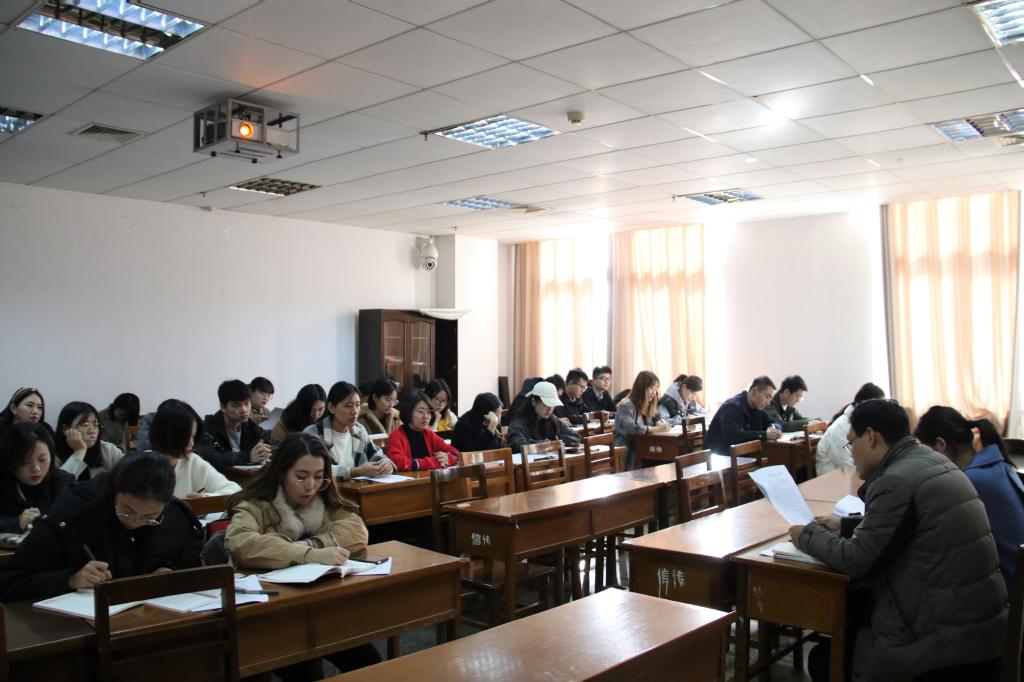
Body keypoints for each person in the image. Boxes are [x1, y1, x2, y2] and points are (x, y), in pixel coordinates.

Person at [790, 400, 1007, 682]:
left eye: (851, 443)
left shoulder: (895, 480)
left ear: (871, 437)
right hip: (978, 628)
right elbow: (907, 525)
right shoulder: (932, 461)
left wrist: (807, 534)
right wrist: (845, 525)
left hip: (943, 643)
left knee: (824, 658)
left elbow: (855, 560)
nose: (851, 453)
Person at [224, 433, 378, 678]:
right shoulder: (255, 504)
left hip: (320, 606)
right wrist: (309, 554)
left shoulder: (323, 500)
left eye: (318, 477)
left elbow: (356, 531)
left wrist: (312, 544)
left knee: (368, 660)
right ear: (281, 473)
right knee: (306, 671)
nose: (311, 486)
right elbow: (241, 543)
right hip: (270, 616)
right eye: (301, 477)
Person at [0, 451, 204, 603]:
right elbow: (9, 580)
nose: (134, 522)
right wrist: (71, 579)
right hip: (78, 630)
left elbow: (194, 569)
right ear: (114, 492)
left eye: (150, 517)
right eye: (127, 511)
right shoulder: (73, 513)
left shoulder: (176, 517)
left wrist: (169, 572)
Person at [914, 405, 1024, 591]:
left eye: (926, 453)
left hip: (1010, 590)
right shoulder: (997, 465)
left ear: (941, 445)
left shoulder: (969, 482)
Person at [149, 399, 239, 498]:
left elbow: (234, 490)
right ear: (167, 435)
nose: (191, 443)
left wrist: (206, 497)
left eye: (193, 436)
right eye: (185, 437)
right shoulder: (142, 464)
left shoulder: (192, 461)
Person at [303, 381, 394, 480]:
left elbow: (376, 454)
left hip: (359, 488)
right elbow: (315, 469)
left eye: (358, 405)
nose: (355, 411)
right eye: (348, 406)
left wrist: (386, 464)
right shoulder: (313, 433)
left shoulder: (359, 430)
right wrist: (356, 472)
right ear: (331, 407)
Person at [0, 422, 73, 534]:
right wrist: (17, 523)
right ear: (10, 461)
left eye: (42, 459)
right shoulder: (3, 485)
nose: (36, 468)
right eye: (25, 462)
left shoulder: (64, 482)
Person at [194, 379, 271, 472]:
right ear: (223, 407)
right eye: (236, 405)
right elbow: (209, 458)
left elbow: (267, 441)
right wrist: (247, 457)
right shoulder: (207, 427)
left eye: (247, 403)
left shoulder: (250, 426)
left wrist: (264, 451)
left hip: (245, 476)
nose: (244, 410)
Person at [815, 383, 885, 475]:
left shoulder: (864, 423)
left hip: (856, 472)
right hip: (834, 476)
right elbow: (845, 463)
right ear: (860, 404)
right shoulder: (840, 427)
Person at [705, 376, 781, 455]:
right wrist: (764, 435)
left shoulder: (757, 408)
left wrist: (774, 428)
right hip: (718, 457)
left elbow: (775, 421)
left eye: (770, 398)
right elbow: (733, 436)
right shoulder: (732, 407)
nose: (768, 403)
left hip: (741, 456)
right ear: (754, 391)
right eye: (767, 397)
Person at [387, 391, 460, 470]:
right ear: (409, 412)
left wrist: (446, 459)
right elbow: (398, 462)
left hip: (428, 477)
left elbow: (455, 453)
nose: (426, 416)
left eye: (429, 412)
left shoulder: (428, 434)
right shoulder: (396, 436)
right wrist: (434, 462)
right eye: (421, 411)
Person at [54, 401, 125, 480]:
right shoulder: (52, 456)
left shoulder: (109, 450)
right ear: (65, 429)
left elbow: (130, 473)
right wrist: (80, 450)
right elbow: (60, 484)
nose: (92, 431)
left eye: (96, 425)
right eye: (85, 425)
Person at [614, 371, 670, 470]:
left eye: (656, 389)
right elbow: (630, 428)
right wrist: (656, 429)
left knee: (666, 460)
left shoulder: (648, 404)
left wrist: (659, 422)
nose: (654, 392)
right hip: (626, 448)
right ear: (641, 388)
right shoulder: (626, 405)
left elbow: (657, 417)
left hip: (643, 447)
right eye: (651, 388)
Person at [507, 381, 580, 453]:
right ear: (534, 402)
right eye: (546, 404)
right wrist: (545, 445)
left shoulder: (553, 420)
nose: (550, 409)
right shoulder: (518, 422)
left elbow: (576, 437)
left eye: (552, 405)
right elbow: (517, 445)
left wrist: (558, 440)